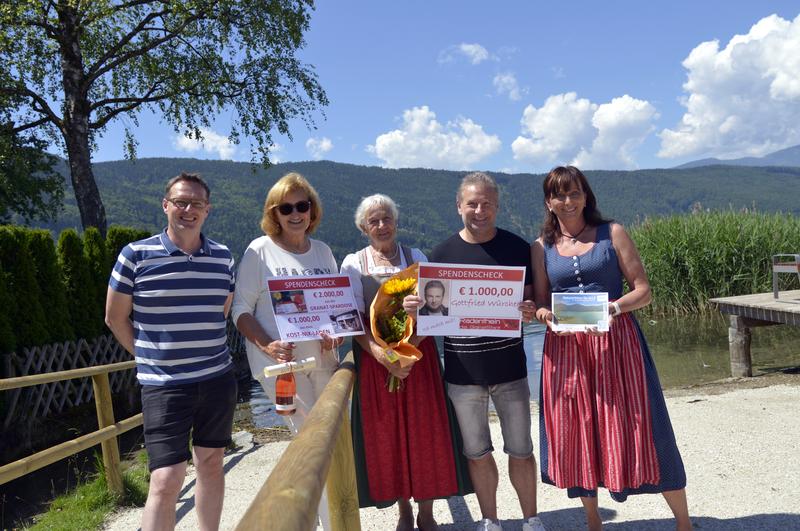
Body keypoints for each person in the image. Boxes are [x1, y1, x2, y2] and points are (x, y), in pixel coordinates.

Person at [532, 166, 691, 531]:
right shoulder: (540, 247)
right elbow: (541, 302)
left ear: (586, 196)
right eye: (559, 195)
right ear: (549, 202)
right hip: (567, 351)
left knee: (645, 425)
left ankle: (683, 522)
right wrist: (543, 314)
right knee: (578, 432)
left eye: (575, 193)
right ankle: (594, 522)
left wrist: (613, 309)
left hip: (617, 345)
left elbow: (643, 290)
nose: (568, 201)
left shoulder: (612, 232)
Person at [404, 173, 545, 531]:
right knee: (477, 453)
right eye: (472, 204)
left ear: (497, 206)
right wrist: (414, 310)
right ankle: (490, 520)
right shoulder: (441, 255)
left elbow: (531, 300)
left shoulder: (518, 248)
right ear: (459, 206)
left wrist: (529, 309)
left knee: (522, 450)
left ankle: (531, 519)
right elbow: (432, 315)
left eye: (487, 204)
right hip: (463, 375)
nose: (480, 211)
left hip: (510, 370)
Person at [105, 172, 237, 531]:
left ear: (207, 210)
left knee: (212, 463)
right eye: (181, 202)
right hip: (164, 386)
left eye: (197, 203)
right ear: (166, 205)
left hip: (216, 378)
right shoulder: (135, 255)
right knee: (165, 480)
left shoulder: (223, 257)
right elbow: (115, 318)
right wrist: (149, 358)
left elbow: (221, 312)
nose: (188, 209)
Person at [340, 193, 470, 531]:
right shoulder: (353, 264)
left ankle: (426, 511)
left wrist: (409, 348)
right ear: (363, 228)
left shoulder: (417, 257)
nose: (382, 225)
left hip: (418, 360)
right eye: (374, 221)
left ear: (396, 222)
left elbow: (437, 310)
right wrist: (386, 357)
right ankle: (403, 511)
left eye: (387, 218)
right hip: (377, 363)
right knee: (390, 437)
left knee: (425, 434)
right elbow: (353, 321)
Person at [230, 172, 341, 530]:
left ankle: (330, 520)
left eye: (301, 206)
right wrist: (268, 344)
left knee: (333, 441)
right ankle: (322, 523)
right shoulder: (259, 251)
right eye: (286, 208)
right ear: (274, 213)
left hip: (324, 361)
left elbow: (335, 308)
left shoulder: (323, 251)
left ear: (312, 210)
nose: (295, 214)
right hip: (282, 367)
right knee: (310, 444)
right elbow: (240, 310)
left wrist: (336, 335)